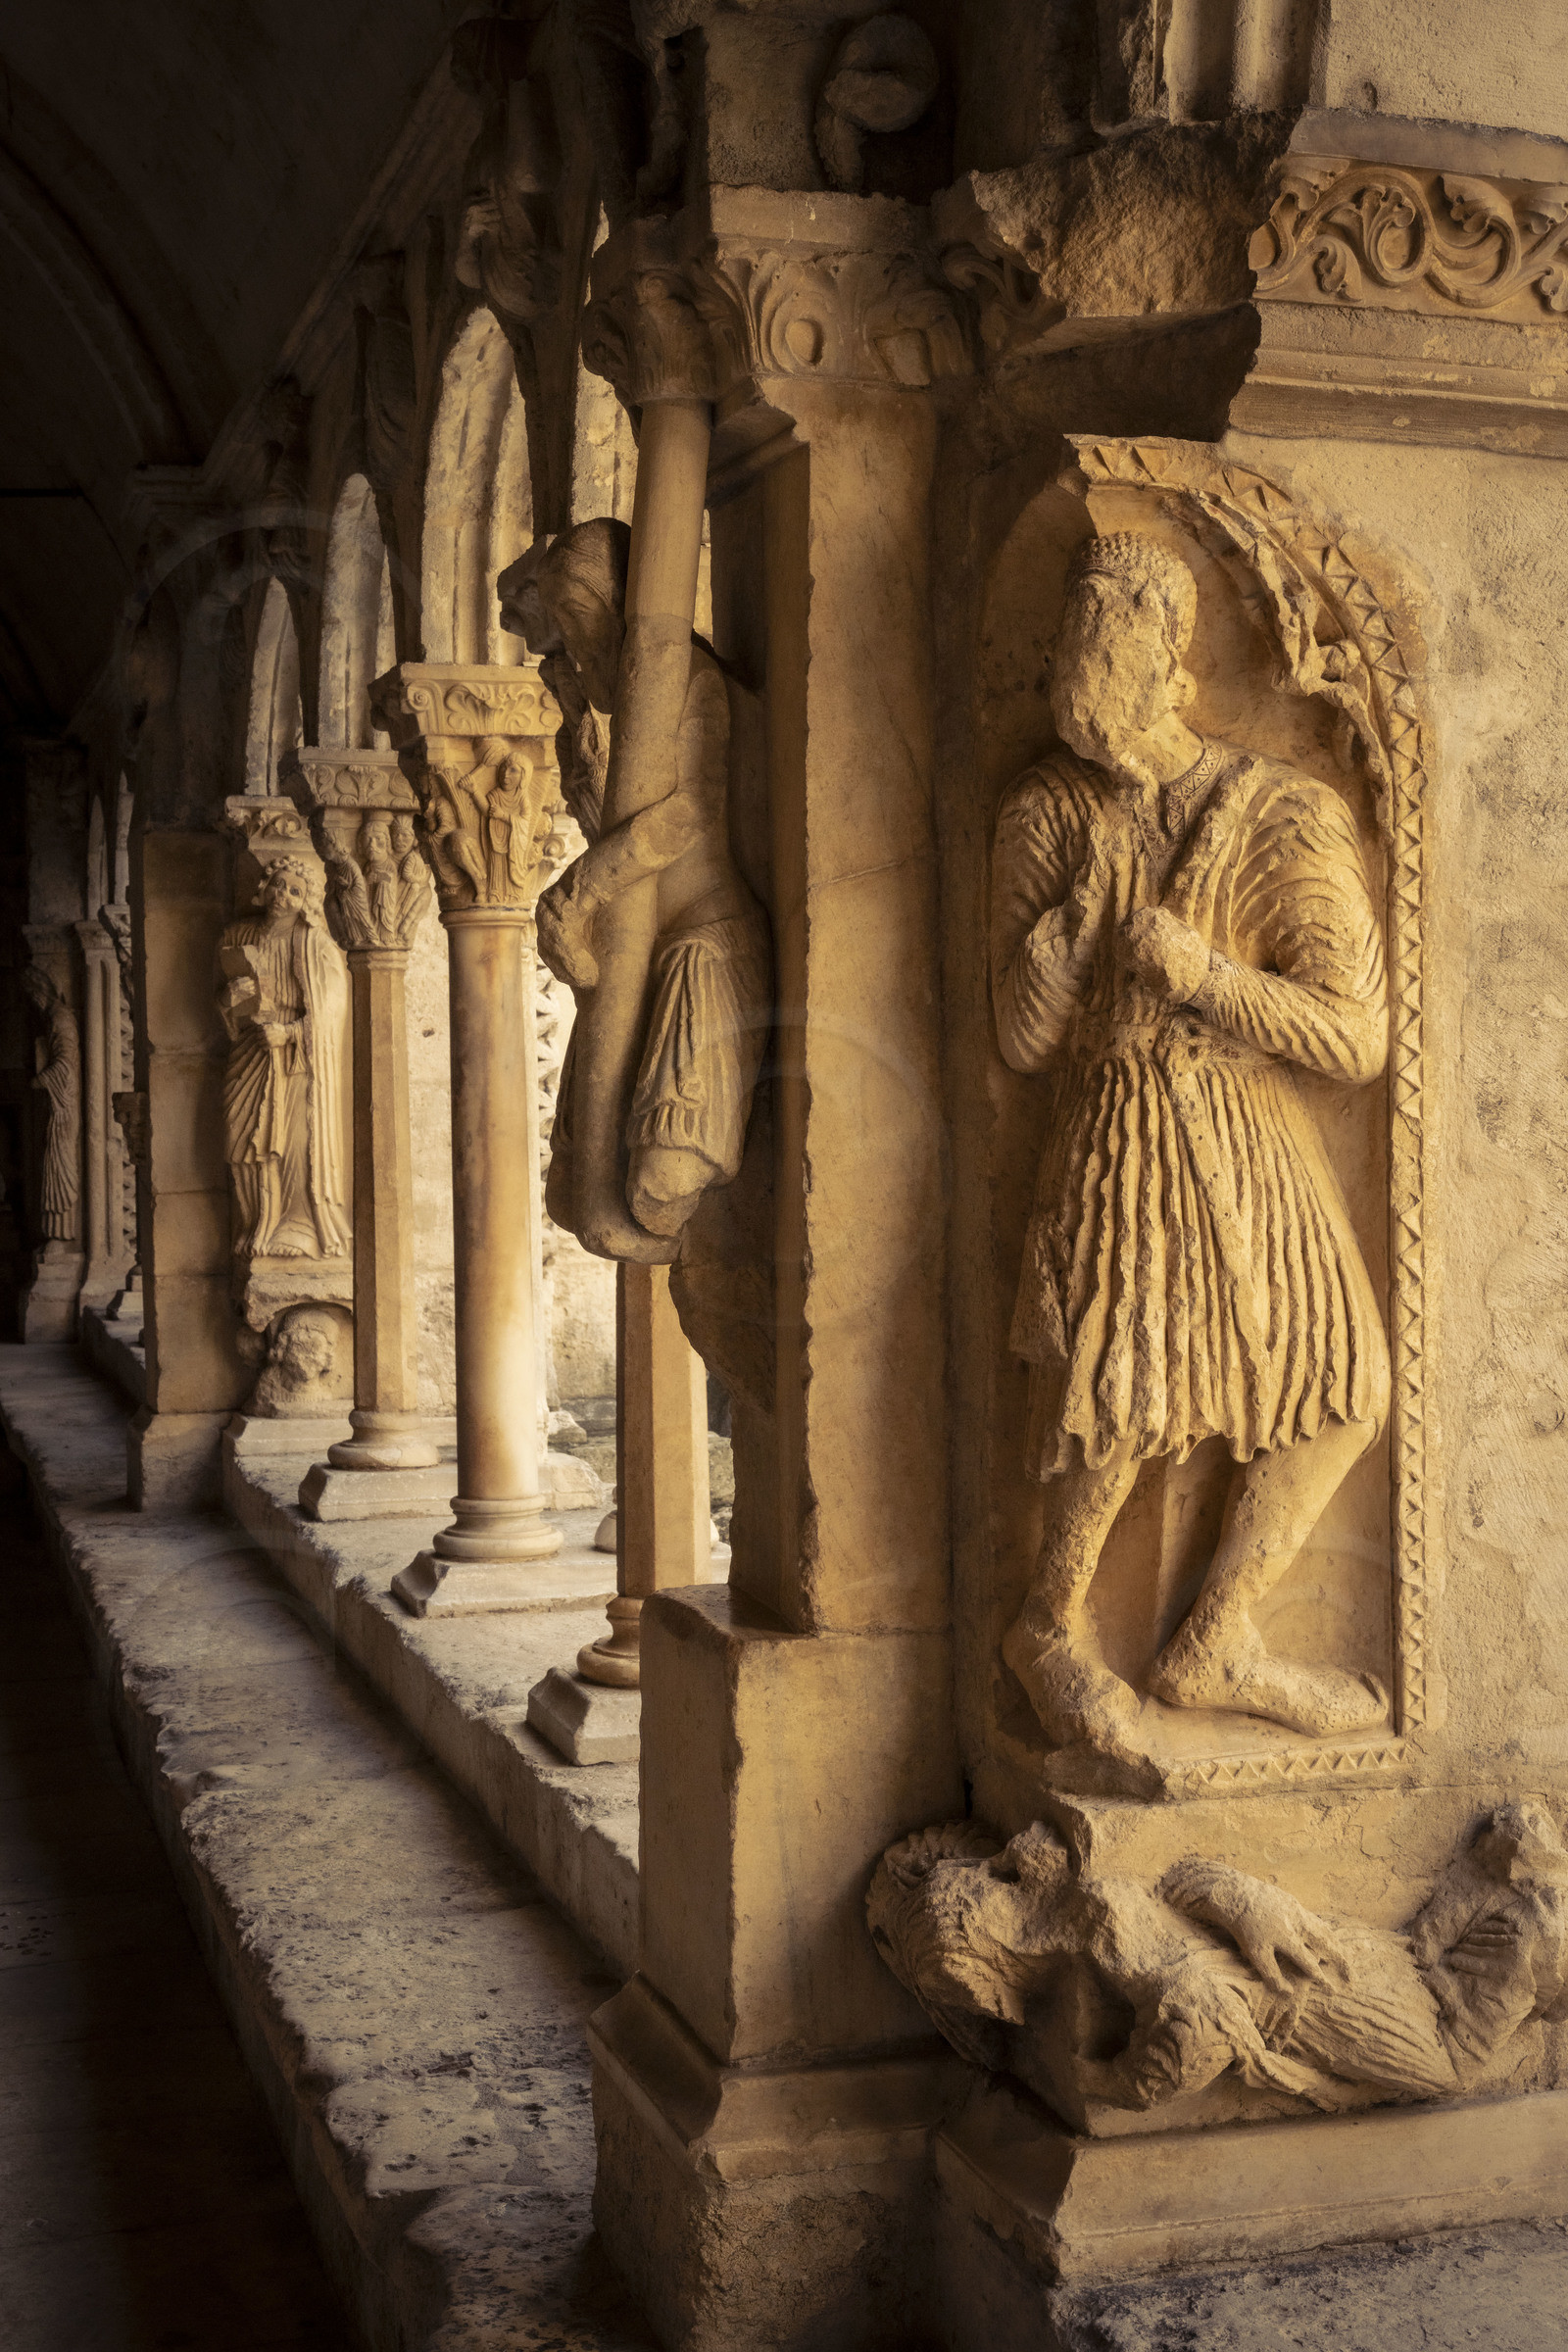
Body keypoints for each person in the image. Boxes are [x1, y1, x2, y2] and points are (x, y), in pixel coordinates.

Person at [992, 530, 1390, 1751]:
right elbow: (1016, 1041)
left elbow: (1353, 1036)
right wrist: (1058, 954)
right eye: (1068, 649)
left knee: (1343, 1390)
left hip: (1253, 1138)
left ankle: (1216, 1638)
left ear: (1171, 661)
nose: (1076, 678)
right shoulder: (1049, 809)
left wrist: (1207, 975)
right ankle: (1047, 1625)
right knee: (1120, 1397)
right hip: (1118, 1132)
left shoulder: (1283, 812)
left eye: (1102, 651)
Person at [500, 518, 769, 1243]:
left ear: (616, 604)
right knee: (578, 1194)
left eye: (578, 618)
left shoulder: (687, 679)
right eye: (562, 624)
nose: (575, 640)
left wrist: (582, 888)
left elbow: (680, 818)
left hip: (699, 952)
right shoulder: (609, 715)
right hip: (635, 954)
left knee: (657, 1185)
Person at [218, 858, 349, 1259]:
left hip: (295, 1060)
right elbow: (225, 1009)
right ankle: (257, 1222)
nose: (282, 895)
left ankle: (295, 1226)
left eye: (295, 890)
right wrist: (232, 998)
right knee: (237, 1140)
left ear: (306, 900)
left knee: (290, 1143)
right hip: (250, 1051)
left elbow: (331, 1012)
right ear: (265, 885)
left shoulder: (314, 943)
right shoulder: (240, 935)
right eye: (278, 884)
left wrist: (289, 1032)